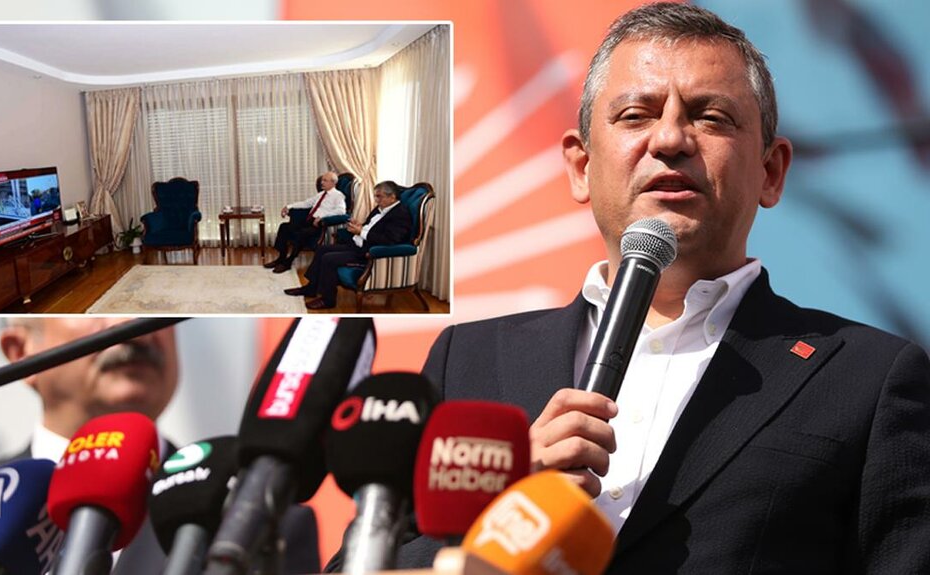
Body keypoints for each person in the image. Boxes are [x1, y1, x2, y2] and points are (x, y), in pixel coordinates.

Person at [392, 3, 930, 573]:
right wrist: (498, 508)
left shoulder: (870, 379)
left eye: (711, 117)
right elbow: (367, 558)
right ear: (580, 166)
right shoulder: (468, 360)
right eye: (635, 115)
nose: (670, 139)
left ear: (771, 172)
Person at [0, 318, 321, 574]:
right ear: (21, 352)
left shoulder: (263, 521)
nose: (131, 324)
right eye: (92, 311)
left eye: (152, 309)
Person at [284, 180, 412, 310]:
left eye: (379, 196)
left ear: (392, 197)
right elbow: (371, 226)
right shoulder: (381, 208)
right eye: (375, 196)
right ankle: (311, 288)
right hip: (358, 245)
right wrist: (360, 225)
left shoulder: (400, 214)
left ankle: (328, 300)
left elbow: (390, 240)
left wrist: (361, 231)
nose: (376, 200)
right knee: (322, 249)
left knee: (328, 259)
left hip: (369, 253)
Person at [264, 171, 347, 273]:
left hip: (318, 225)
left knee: (301, 233)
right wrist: (288, 207)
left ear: (333, 183)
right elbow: (306, 203)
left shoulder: (338, 196)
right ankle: (281, 258)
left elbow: (341, 211)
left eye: (325, 180)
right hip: (308, 220)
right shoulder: (321, 194)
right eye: (322, 180)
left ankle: (288, 262)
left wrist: (323, 217)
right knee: (284, 227)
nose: (322, 182)